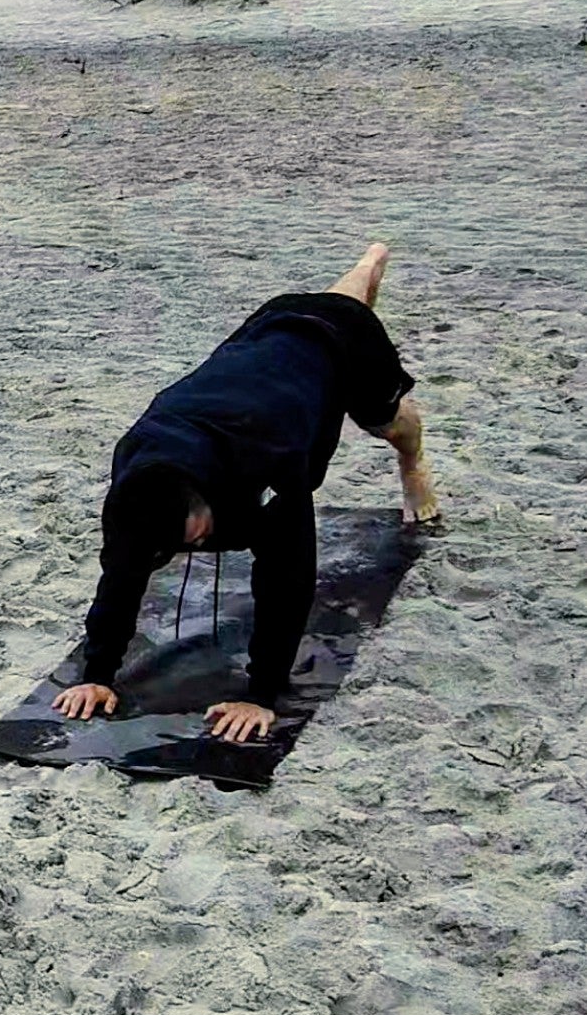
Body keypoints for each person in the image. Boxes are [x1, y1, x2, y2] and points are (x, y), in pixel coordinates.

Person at [54, 245, 441, 745]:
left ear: (203, 511)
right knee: (336, 302)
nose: (195, 549)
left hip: (339, 347)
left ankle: (410, 459)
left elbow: (291, 578)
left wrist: (261, 695)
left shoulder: (271, 458)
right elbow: (120, 572)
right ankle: (365, 269)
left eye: (194, 538)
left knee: (391, 423)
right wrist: (97, 673)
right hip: (268, 333)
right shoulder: (137, 470)